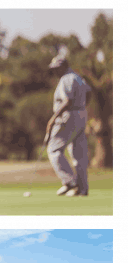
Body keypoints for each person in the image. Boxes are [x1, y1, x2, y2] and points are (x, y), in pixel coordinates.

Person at [45, 51, 91, 196]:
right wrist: (82, 107)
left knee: (53, 149)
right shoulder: (78, 78)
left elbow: (67, 101)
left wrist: (53, 119)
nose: (54, 71)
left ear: (64, 66)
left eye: (56, 68)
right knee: (78, 154)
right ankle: (82, 188)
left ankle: (70, 182)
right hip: (81, 115)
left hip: (68, 116)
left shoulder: (66, 78)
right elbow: (89, 92)